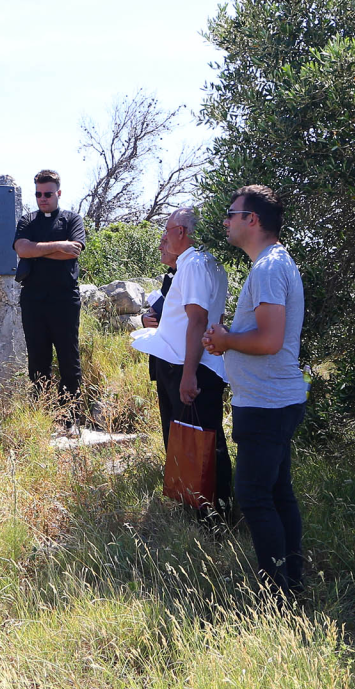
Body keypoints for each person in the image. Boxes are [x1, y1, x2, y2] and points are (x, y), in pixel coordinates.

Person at [203, 185, 307, 598]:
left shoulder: (267, 268)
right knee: (277, 493)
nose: (225, 221)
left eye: (232, 213)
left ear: (253, 220)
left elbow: (269, 341)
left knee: (254, 497)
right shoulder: (273, 264)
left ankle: (276, 599)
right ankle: (291, 584)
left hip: (266, 404)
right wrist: (227, 337)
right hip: (273, 400)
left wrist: (226, 340)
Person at [141, 209, 233, 522]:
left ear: (182, 231)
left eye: (167, 231)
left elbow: (198, 319)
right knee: (195, 438)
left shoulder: (194, 262)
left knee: (200, 441)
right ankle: (205, 512)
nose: (163, 238)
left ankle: (212, 517)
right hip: (188, 364)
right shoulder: (209, 262)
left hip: (189, 366)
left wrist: (190, 374)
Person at [13, 169, 87, 424]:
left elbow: (73, 252)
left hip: (64, 299)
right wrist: (57, 246)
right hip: (33, 299)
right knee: (37, 358)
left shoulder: (71, 220)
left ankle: (70, 417)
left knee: (68, 357)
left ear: (58, 193)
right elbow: (21, 248)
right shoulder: (27, 220)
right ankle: (43, 416)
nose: (42, 198)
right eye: (38, 194)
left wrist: (36, 251)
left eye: (47, 193)